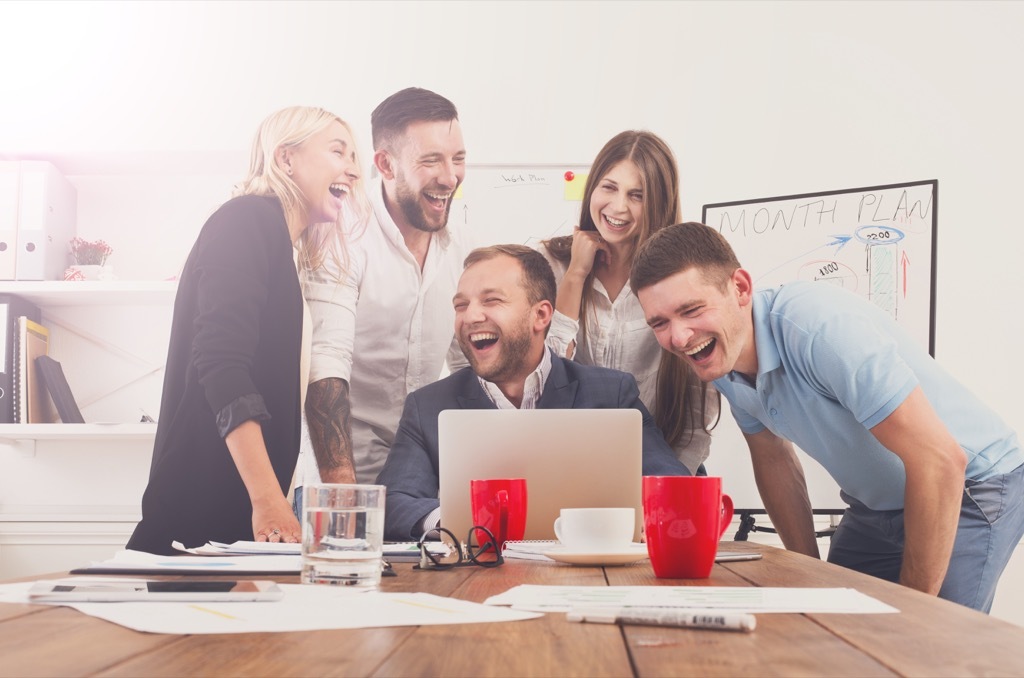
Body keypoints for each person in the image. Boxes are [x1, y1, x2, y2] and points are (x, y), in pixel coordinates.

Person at [631, 221, 1024, 612]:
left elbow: (940, 461)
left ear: (741, 288)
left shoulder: (819, 329)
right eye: (660, 323)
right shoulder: (721, 359)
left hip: (970, 486)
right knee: (831, 627)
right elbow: (773, 459)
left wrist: (913, 621)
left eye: (692, 309)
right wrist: (807, 577)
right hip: (875, 508)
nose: (679, 338)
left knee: (931, 651)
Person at [127, 107, 366, 555]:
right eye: (338, 151)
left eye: (354, 156)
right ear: (285, 159)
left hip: (233, 516)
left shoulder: (278, 244)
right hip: (203, 514)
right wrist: (270, 501)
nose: (353, 169)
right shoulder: (246, 219)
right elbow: (221, 365)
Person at [376, 244, 691, 541]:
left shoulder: (612, 394)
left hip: (587, 579)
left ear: (541, 316)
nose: (470, 316)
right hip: (477, 581)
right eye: (461, 305)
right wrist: (455, 522)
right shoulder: (428, 406)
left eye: (491, 300)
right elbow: (392, 503)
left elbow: (675, 487)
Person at [302, 87, 472, 488]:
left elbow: (469, 363)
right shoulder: (341, 237)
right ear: (385, 164)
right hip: (347, 472)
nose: (450, 177)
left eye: (458, 158)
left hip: (426, 473)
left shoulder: (461, 245)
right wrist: (341, 492)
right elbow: (326, 363)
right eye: (431, 160)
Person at [538, 131, 717, 475]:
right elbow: (545, 381)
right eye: (608, 187)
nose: (618, 207)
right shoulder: (549, 263)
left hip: (660, 465)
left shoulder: (681, 277)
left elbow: (697, 411)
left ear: (659, 203)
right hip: (565, 465)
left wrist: (662, 487)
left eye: (637, 195)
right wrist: (576, 274)